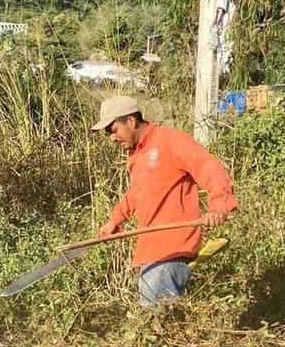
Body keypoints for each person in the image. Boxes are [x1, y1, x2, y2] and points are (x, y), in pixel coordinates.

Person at [93, 95, 236, 306]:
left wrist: (218, 206)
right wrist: (115, 220)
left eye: (113, 130)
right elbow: (138, 192)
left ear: (131, 121)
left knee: (156, 321)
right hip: (150, 249)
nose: (112, 138)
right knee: (158, 324)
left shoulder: (170, 140)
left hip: (171, 247)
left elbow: (209, 169)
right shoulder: (137, 155)